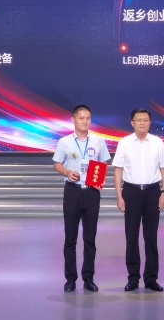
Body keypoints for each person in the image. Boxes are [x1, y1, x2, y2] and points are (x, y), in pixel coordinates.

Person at [112, 108, 164, 292]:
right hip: (131, 192)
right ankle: (133, 278)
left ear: (150, 122)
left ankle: (151, 279)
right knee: (131, 237)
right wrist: (119, 196)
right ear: (132, 122)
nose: (142, 123)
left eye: (145, 120)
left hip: (153, 191)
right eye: (139, 120)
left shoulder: (157, 142)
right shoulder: (124, 143)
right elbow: (118, 170)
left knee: (151, 237)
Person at [53, 104, 111, 293]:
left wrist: (99, 177)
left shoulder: (98, 140)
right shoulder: (64, 142)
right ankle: (70, 279)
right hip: (73, 191)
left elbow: (103, 161)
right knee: (70, 238)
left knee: (90, 238)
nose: (85, 121)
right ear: (73, 119)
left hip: (92, 192)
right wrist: (67, 172)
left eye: (88, 118)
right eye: (81, 118)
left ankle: (88, 278)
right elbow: (57, 164)